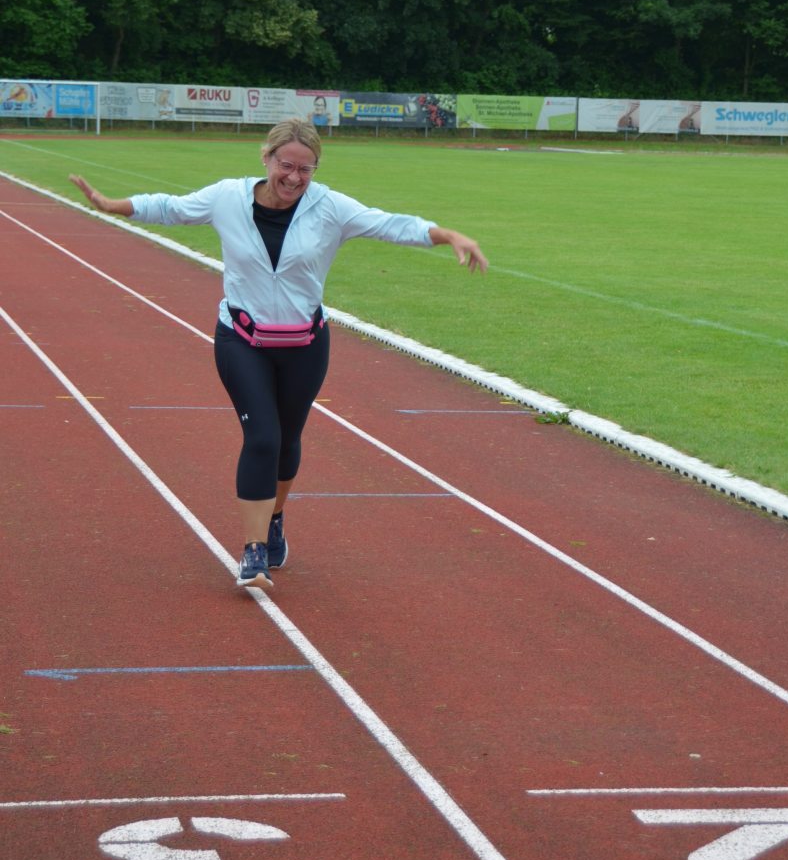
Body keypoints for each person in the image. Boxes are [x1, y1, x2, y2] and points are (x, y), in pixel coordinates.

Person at [69, 117, 487, 593]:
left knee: (287, 441)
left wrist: (450, 235)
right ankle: (253, 550)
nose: (294, 177)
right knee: (263, 438)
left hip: (305, 345)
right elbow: (170, 207)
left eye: (306, 169)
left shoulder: (330, 208)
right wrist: (110, 204)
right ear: (266, 158)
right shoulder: (227, 197)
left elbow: (390, 224)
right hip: (241, 339)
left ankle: (273, 519)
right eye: (286, 165)